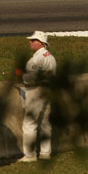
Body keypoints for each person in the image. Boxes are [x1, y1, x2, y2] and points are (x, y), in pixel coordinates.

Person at [16, 31, 57, 162]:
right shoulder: (50, 57)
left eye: (33, 40)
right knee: (45, 123)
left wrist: (20, 75)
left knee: (29, 124)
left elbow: (30, 77)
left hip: (35, 91)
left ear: (40, 43)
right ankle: (46, 152)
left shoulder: (36, 59)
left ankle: (30, 155)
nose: (30, 42)